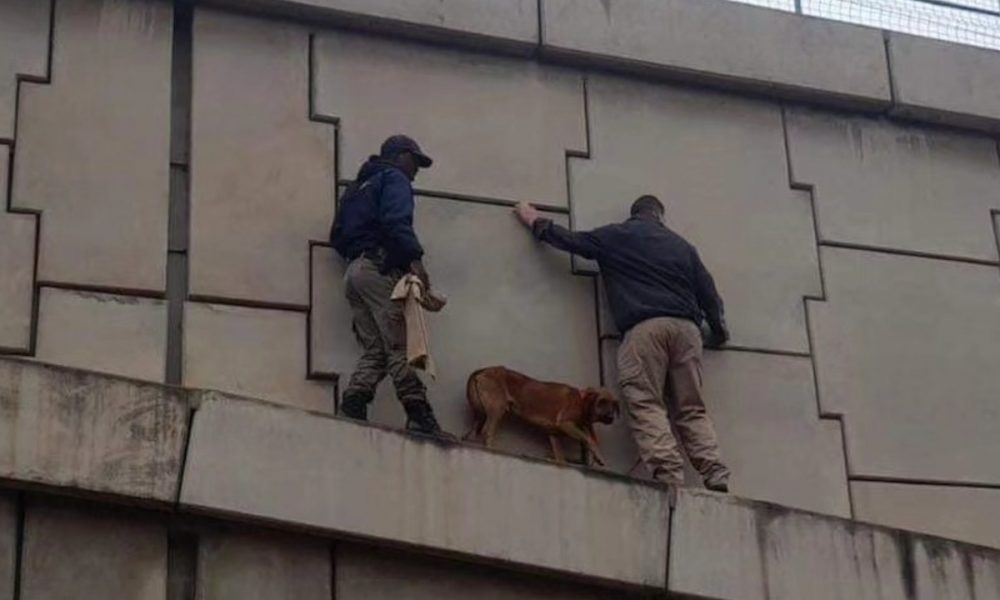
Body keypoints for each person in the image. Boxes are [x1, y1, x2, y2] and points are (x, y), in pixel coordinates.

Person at [514, 195, 730, 491]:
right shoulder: (682, 246)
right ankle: (715, 473)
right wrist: (718, 332)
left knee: (646, 402)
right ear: (660, 217)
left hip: (644, 328)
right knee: (691, 407)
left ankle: (669, 475)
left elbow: (570, 241)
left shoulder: (616, 235)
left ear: (634, 215)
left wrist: (534, 219)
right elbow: (710, 295)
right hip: (688, 330)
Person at [331, 134, 450, 438]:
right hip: (379, 269)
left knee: (377, 349)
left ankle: (352, 407)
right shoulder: (394, 179)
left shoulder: (356, 188)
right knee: (400, 346)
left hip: (354, 273)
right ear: (399, 157)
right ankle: (419, 417)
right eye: (415, 160)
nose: (416, 169)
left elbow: (336, 235)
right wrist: (415, 263)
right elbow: (397, 222)